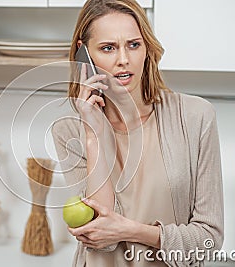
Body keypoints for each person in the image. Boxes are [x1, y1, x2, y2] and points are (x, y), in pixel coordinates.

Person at [51, 0, 224, 266]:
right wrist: (93, 134)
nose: (123, 60)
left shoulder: (195, 117)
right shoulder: (69, 131)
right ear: (83, 53)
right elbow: (101, 237)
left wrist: (130, 230)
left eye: (133, 45)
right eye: (108, 48)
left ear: (147, 48)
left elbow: (209, 240)